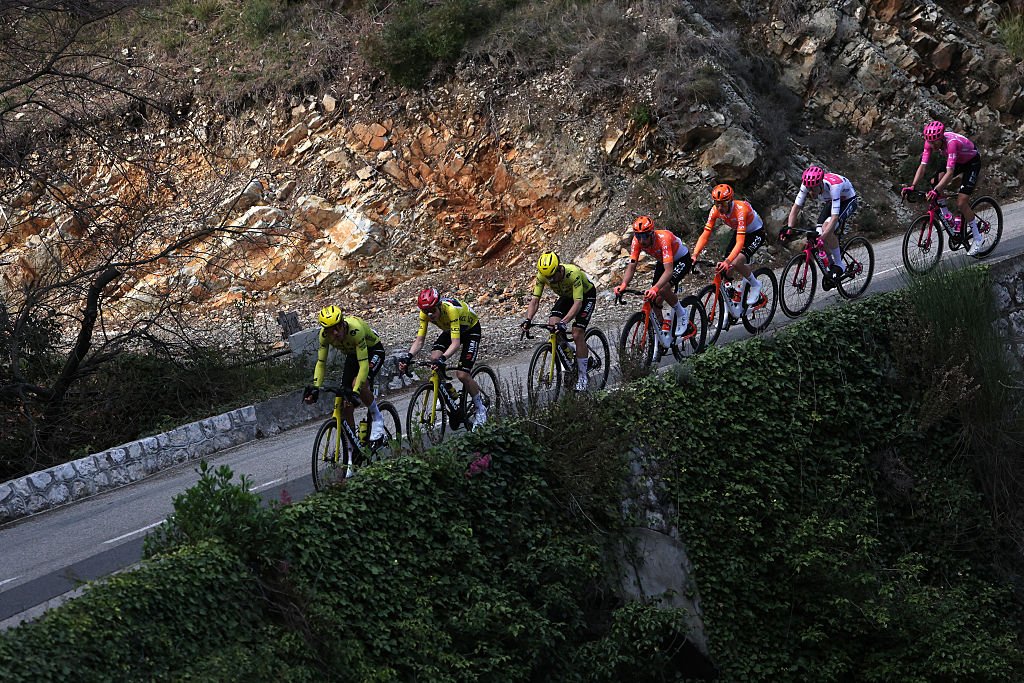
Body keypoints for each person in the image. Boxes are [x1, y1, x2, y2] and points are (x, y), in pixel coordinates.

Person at [398, 288, 487, 426]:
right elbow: (420, 341)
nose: (430, 314)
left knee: (462, 375)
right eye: (426, 311)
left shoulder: (451, 311)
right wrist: (408, 356)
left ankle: (480, 408)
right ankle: (447, 391)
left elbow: (455, 344)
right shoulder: (425, 314)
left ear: (439, 305)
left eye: (433, 310)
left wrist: (443, 359)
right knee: (434, 358)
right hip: (451, 329)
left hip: (470, 330)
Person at [303, 305, 387, 441]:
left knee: (358, 384)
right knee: (345, 403)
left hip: (372, 352)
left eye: (337, 327)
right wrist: (316, 387)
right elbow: (321, 362)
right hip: (353, 355)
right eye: (330, 330)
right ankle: (352, 442)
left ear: (343, 323)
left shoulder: (356, 329)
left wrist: (356, 390)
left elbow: (364, 365)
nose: (335, 333)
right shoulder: (324, 336)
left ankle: (377, 417)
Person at [901, 120, 985, 256]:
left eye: (935, 142)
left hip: (971, 161)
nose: (932, 145)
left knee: (961, 202)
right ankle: (948, 217)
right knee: (935, 181)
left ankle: (978, 238)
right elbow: (923, 166)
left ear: (941, 138)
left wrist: (936, 191)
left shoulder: (951, 143)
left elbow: (950, 173)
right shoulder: (929, 142)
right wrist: (912, 186)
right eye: (930, 142)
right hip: (958, 159)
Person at [521, 252, 598, 391]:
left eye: (552, 276)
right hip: (567, 296)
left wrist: (565, 321)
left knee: (577, 333)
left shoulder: (573, 273)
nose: (550, 280)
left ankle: (582, 376)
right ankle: (569, 353)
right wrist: (528, 319)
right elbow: (535, 300)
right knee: (552, 325)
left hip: (585, 296)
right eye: (547, 277)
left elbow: (578, 303)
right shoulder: (543, 276)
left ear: (559, 269)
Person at [691, 184, 768, 320]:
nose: (720, 207)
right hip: (740, 232)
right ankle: (731, 307)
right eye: (717, 203)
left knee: (736, 262)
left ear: (730, 201)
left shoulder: (740, 210)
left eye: (723, 203)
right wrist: (695, 254)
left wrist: (728, 261)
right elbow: (705, 234)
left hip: (756, 232)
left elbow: (740, 243)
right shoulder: (715, 211)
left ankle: (756, 284)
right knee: (724, 271)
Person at [613, 216, 694, 344]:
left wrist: (655, 288)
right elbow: (632, 266)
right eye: (638, 236)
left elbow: (669, 271)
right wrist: (623, 284)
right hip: (663, 260)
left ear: (651, 234)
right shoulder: (636, 241)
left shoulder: (663, 238)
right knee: (653, 299)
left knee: (662, 289)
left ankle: (681, 312)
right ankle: (663, 330)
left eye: (644, 236)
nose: (641, 240)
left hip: (681, 259)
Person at [782, 167, 858, 288]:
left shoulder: (834, 187)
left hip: (847, 200)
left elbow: (834, 219)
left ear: (821, 184)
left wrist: (824, 237)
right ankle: (830, 264)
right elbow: (795, 208)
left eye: (813, 189)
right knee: (818, 232)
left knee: (827, 228)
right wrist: (789, 230)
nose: (811, 192)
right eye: (809, 189)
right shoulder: (806, 184)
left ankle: (839, 265)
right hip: (831, 201)